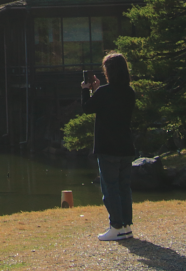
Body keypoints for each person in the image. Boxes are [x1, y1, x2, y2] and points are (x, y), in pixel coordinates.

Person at [81, 51, 136, 241]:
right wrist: (97, 90)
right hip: (126, 147)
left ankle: (115, 226)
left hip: (107, 147)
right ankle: (126, 226)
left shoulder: (104, 92)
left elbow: (87, 107)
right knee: (124, 188)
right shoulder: (129, 92)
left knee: (110, 189)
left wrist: (86, 89)